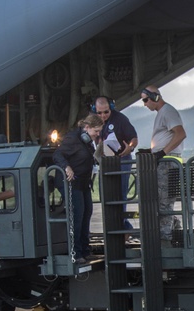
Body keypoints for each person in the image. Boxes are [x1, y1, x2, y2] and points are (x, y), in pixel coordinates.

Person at [53, 114, 104, 264]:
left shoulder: (89, 142)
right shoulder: (72, 139)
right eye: (96, 130)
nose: (97, 134)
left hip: (84, 182)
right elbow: (58, 154)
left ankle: (85, 249)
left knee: (87, 212)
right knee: (78, 214)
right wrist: (66, 167)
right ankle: (76, 252)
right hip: (71, 182)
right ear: (86, 128)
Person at [140, 86, 186, 246]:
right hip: (164, 161)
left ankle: (165, 241)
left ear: (155, 97)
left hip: (167, 163)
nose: (145, 104)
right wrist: (153, 150)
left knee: (164, 202)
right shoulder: (162, 113)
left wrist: (162, 153)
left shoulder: (167, 111)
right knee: (160, 201)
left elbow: (180, 133)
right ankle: (174, 230)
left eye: (146, 99)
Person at [93, 96, 139, 239]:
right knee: (106, 195)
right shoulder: (92, 121)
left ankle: (122, 228)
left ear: (111, 108)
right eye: (99, 113)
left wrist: (130, 148)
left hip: (121, 159)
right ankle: (121, 227)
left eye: (106, 112)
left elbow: (134, 138)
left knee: (120, 194)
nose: (103, 116)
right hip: (105, 162)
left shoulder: (120, 119)